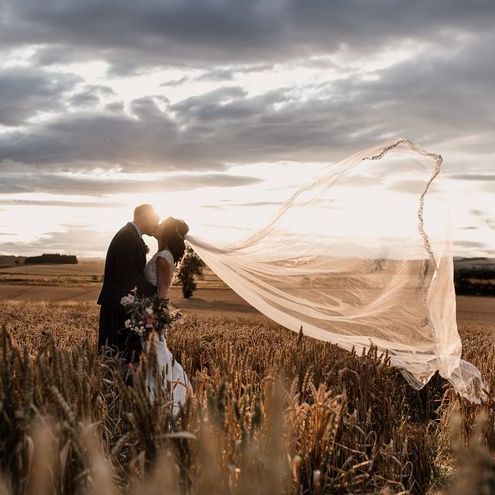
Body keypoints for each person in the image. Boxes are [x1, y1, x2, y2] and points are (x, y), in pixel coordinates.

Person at [143, 216, 192, 414]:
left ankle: (164, 404)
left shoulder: (164, 257)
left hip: (152, 317)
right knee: (156, 357)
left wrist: (151, 318)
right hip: (151, 314)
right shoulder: (164, 253)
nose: (158, 226)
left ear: (168, 232)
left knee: (157, 358)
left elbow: (162, 295)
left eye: (162, 225)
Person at [97, 204, 159, 359]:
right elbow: (128, 274)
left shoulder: (131, 235)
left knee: (124, 359)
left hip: (123, 306)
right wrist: (153, 292)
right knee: (115, 357)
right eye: (155, 219)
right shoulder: (127, 236)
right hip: (117, 307)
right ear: (145, 217)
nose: (157, 224)